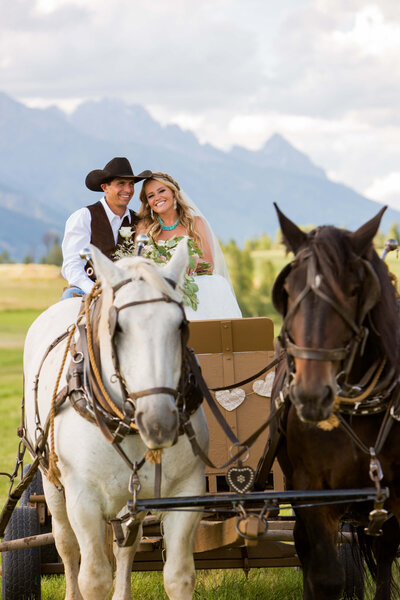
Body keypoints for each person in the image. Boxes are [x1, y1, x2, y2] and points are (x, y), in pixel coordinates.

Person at [135, 172, 242, 320]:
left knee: (217, 285)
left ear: (173, 192)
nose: (157, 198)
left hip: (197, 290)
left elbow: (209, 265)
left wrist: (193, 261)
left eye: (161, 191)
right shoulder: (144, 228)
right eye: (151, 195)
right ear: (147, 202)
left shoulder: (196, 223)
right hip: (160, 295)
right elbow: (139, 266)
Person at [61, 157, 152, 299]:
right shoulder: (84, 216)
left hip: (128, 293)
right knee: (67, 303)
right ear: (105, 187)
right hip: (88, 289)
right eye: (120, 184)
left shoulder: (139, 222)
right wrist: (95, 290)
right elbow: (72, 266)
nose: (128, 190)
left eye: (131, 184)